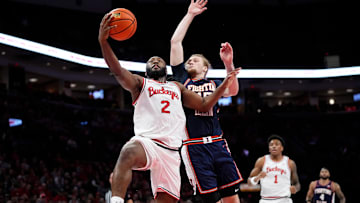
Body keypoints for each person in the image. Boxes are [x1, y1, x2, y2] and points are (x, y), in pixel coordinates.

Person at [98, 11, 240, 203]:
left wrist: (226, 76)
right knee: (128, 152)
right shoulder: (151, 83)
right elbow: (119, 70)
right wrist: (103, 42)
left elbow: (214, 100)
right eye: (151, 61)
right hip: (167, 144)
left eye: (159, 60)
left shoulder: (178, 86)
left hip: (184, 148)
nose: (155, 60)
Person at [170, 0, 243, 202]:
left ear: (205, 68)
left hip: (218, 143)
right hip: (194, 146)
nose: (190, 61)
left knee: (232, 198)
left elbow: (233, 90)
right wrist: (190, 15)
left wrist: (229, 63)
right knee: (210, 199)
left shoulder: (214, 83)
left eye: (195, 60)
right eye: (188, 60)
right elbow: (175, 43)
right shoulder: (181, 79)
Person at [247, 134, 301, 203]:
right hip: (266, 200)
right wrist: (257, 177)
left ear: (282, 148)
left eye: (277, 144)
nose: (274, 146)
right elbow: (249, 182)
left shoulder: (290, 163)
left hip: (284, 200)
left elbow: (297, 184)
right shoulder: (261, 161)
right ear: (269, 148)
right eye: (271, 145)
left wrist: (295, 188)